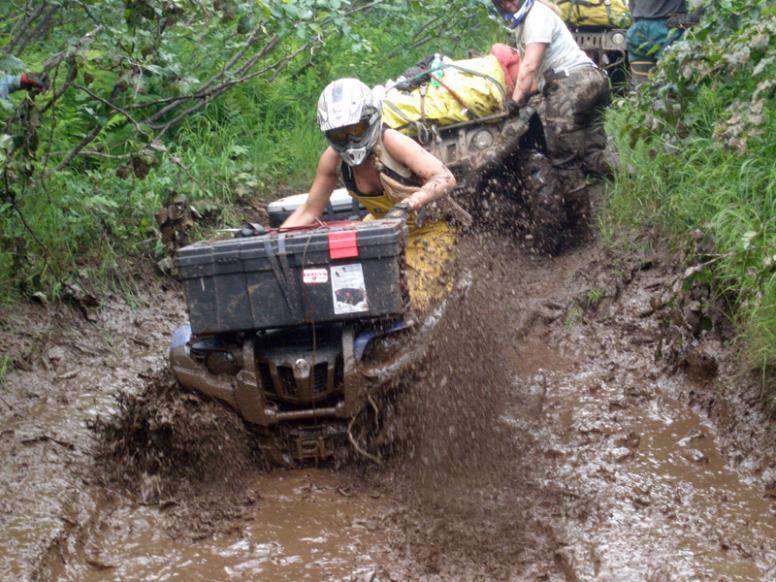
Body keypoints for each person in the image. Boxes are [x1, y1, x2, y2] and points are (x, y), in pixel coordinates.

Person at [281, 78, 459, 312]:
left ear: (371, 119)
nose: (350, 141)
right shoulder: (332, 159)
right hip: (380, 230)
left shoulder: (392, 143)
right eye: (339, 134)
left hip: (427, 229)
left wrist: (411, 202)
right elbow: (309, 210)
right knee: (352, 298)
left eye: (355, 130)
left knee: (415, 304)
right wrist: (275, 241)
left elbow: (445, 177)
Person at [492, 0, 612, 175]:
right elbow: (534, 80)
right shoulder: (534, 17)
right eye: (502, 2)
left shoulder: (536, 17)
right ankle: (635, 179)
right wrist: (523, 99)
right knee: (592, 156)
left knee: (564, 162)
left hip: (571, 84)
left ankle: (576, 203)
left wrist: (514, 103)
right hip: (592, 80)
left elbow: (529, 67)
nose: (508, 4)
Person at [626, 0, 688, 87]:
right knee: (670, 85)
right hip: (669, 27)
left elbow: (631, 5)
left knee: (643, 88)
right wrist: (695, 16)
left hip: (639, 29)